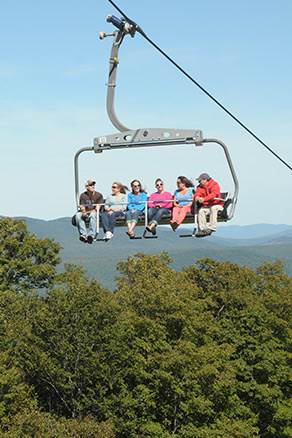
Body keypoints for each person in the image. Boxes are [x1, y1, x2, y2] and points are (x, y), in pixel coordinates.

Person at [194, 173, 224, 237]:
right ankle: (202, 229)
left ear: (205, 180)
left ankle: (211, 228)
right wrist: (197, 197)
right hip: (208, 206)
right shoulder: (200, 187)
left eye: (200, 180)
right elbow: (197, 193)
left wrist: (204, 199)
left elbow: (214, 194)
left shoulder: (214, 185)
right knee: (201, 211)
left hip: (217, 204)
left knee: (213, 208)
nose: (199, 182)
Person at [75, 179, 103, 244]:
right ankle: (83, 234)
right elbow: (82, 206)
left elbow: (97, 208)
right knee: (78, 215)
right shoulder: (83, 195)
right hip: (86, 212)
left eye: (93, 185)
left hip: (96, 213)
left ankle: (91, 235)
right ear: (87, 187)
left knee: (93, 214)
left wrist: (88, 212)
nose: (93, 186)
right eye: (90, 185)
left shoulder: (98, 195)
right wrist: (84, 212)